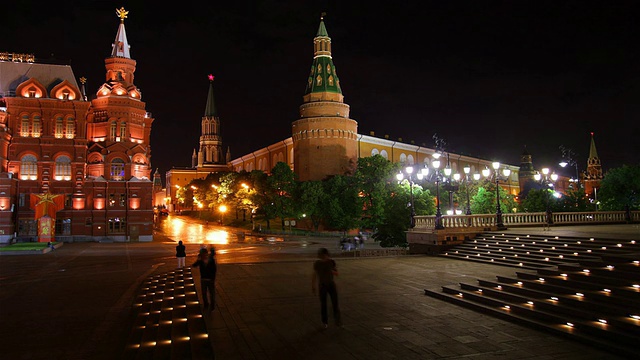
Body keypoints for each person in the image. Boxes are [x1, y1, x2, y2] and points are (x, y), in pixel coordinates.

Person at [312, 247, 341, 329]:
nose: (320, 256)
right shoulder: (317, 263)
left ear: (326, 254)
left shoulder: (331, 262)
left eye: (322, 255)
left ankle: (337, 320)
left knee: (335, 303)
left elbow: (336, 273)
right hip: (322, 286)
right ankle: (325, 322)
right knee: (323, 304)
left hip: (331, 285)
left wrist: (332, 271)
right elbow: (314, 274)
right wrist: (313, 285)